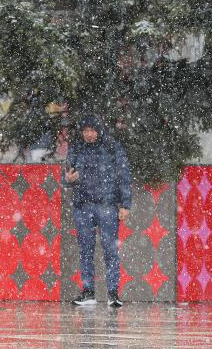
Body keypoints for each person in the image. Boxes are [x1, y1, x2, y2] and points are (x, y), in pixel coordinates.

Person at [66, 115, 132, 307]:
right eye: (85, 131)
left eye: (92, 130)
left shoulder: (111, 148)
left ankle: (113, 293)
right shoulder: (77, 148)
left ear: (99, 130)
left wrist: (125, 204)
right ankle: (88, 292)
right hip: (83, 205)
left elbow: (124, 174)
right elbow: (67, 176)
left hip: (107, 206)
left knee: (110, 249)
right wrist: (69, 179)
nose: (89, 134)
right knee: (85, 250)